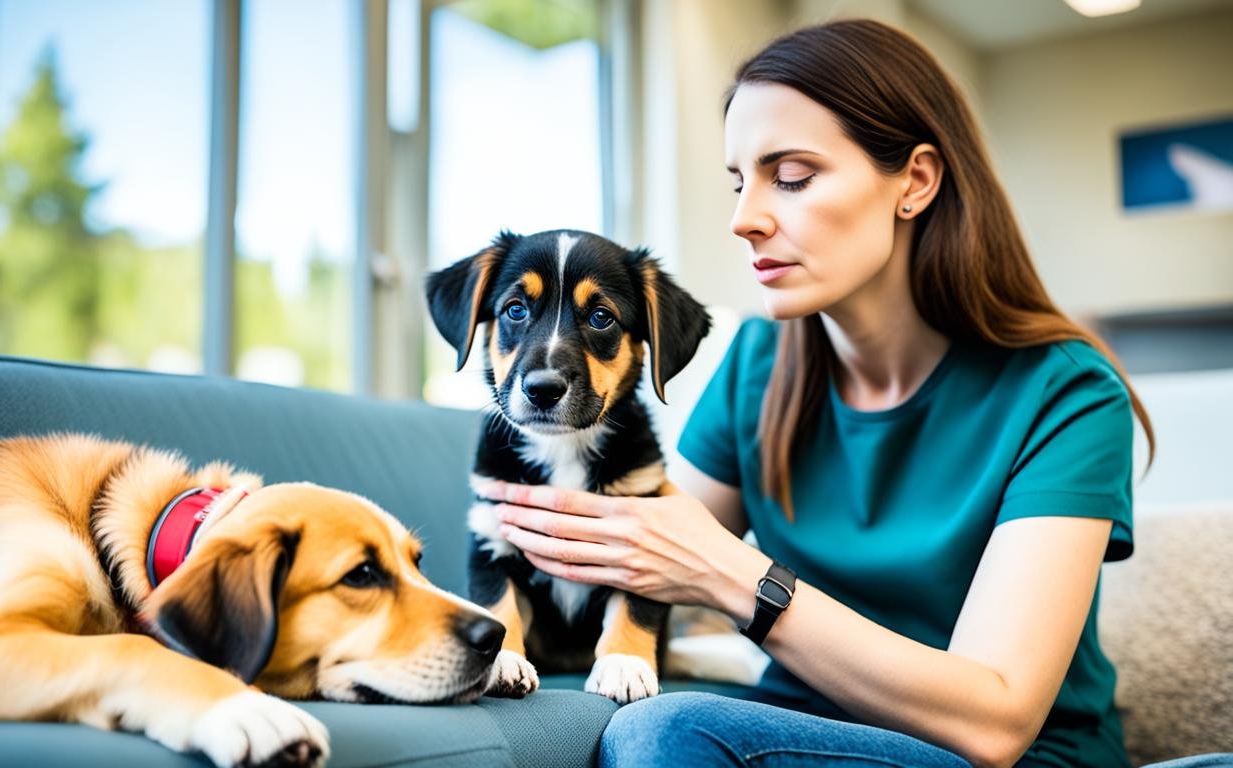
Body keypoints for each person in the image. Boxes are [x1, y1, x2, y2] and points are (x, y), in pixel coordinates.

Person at [474, 18, 1158, 768]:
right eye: (740, 183)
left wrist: (737, 577)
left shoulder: (1068, 397)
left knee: (664, 735)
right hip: (795, 726)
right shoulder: (759, 365)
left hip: (1011, 758)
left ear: (916, 182)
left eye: (791, 177)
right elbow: (641, 550)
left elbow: (994, 722)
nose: (745, 219)